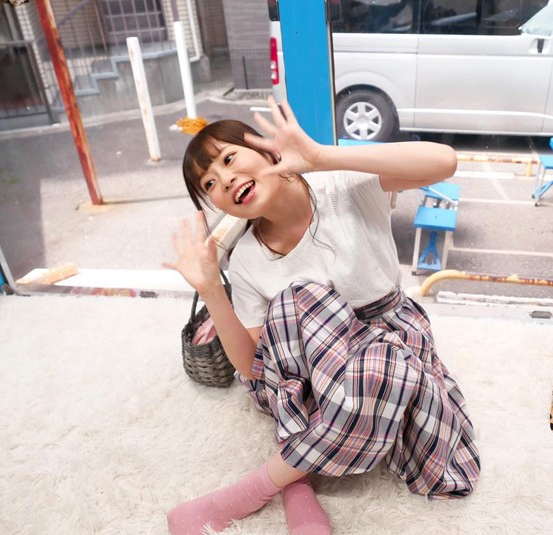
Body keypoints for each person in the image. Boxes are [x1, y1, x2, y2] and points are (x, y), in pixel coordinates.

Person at [163, 97, 480, 535]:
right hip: (308, 374)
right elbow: (253, 368)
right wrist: (211, 290)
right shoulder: (247, 258)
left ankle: (282, 480)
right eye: (210, 183)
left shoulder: (340, 183)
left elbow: (444, 162)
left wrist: (321, 156)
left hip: (386, 344)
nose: (226, 179)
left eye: (229, 159)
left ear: (265, 150)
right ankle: (282, 485)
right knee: (304, 299)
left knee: (389, 376)